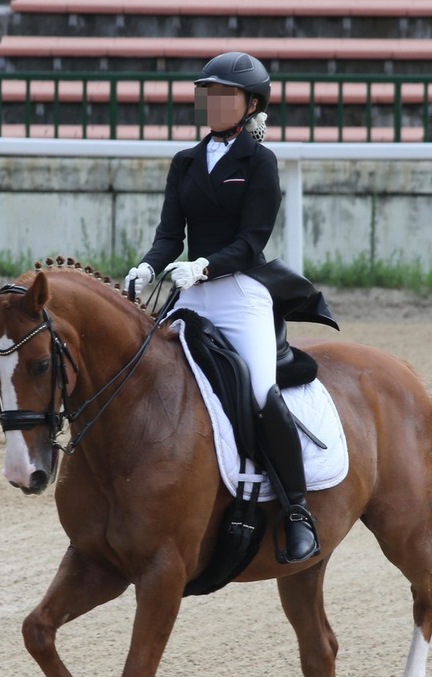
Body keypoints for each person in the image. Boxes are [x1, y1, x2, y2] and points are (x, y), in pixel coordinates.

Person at [125, 51, 325, 564]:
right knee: (149, 377)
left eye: (225, 96)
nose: (214, 104)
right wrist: (148, 267)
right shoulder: (186, 161)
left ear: (251, 103)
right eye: (208, 94)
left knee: (259, 392)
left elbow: (253, 240)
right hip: (190, 292)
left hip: (240, 293)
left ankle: (298, 510)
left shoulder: (260, 162)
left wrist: (205, 265)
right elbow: (170, 234)